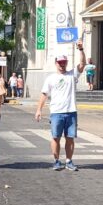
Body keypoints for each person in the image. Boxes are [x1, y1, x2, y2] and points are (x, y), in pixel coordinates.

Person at [34, 39, 86, 171]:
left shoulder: (72, 75)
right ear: (56, 63)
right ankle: (56, 161)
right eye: (60, 62)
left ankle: (69, 161)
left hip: (71, 112)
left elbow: (82, 64)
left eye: (64, 62)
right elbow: (44, 94)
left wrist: (81, 49)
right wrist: (39, 110)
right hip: (56, 112)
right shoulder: (50, 78)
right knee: (55, 137)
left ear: (66, 63)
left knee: (70, 138)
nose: (62, 64)